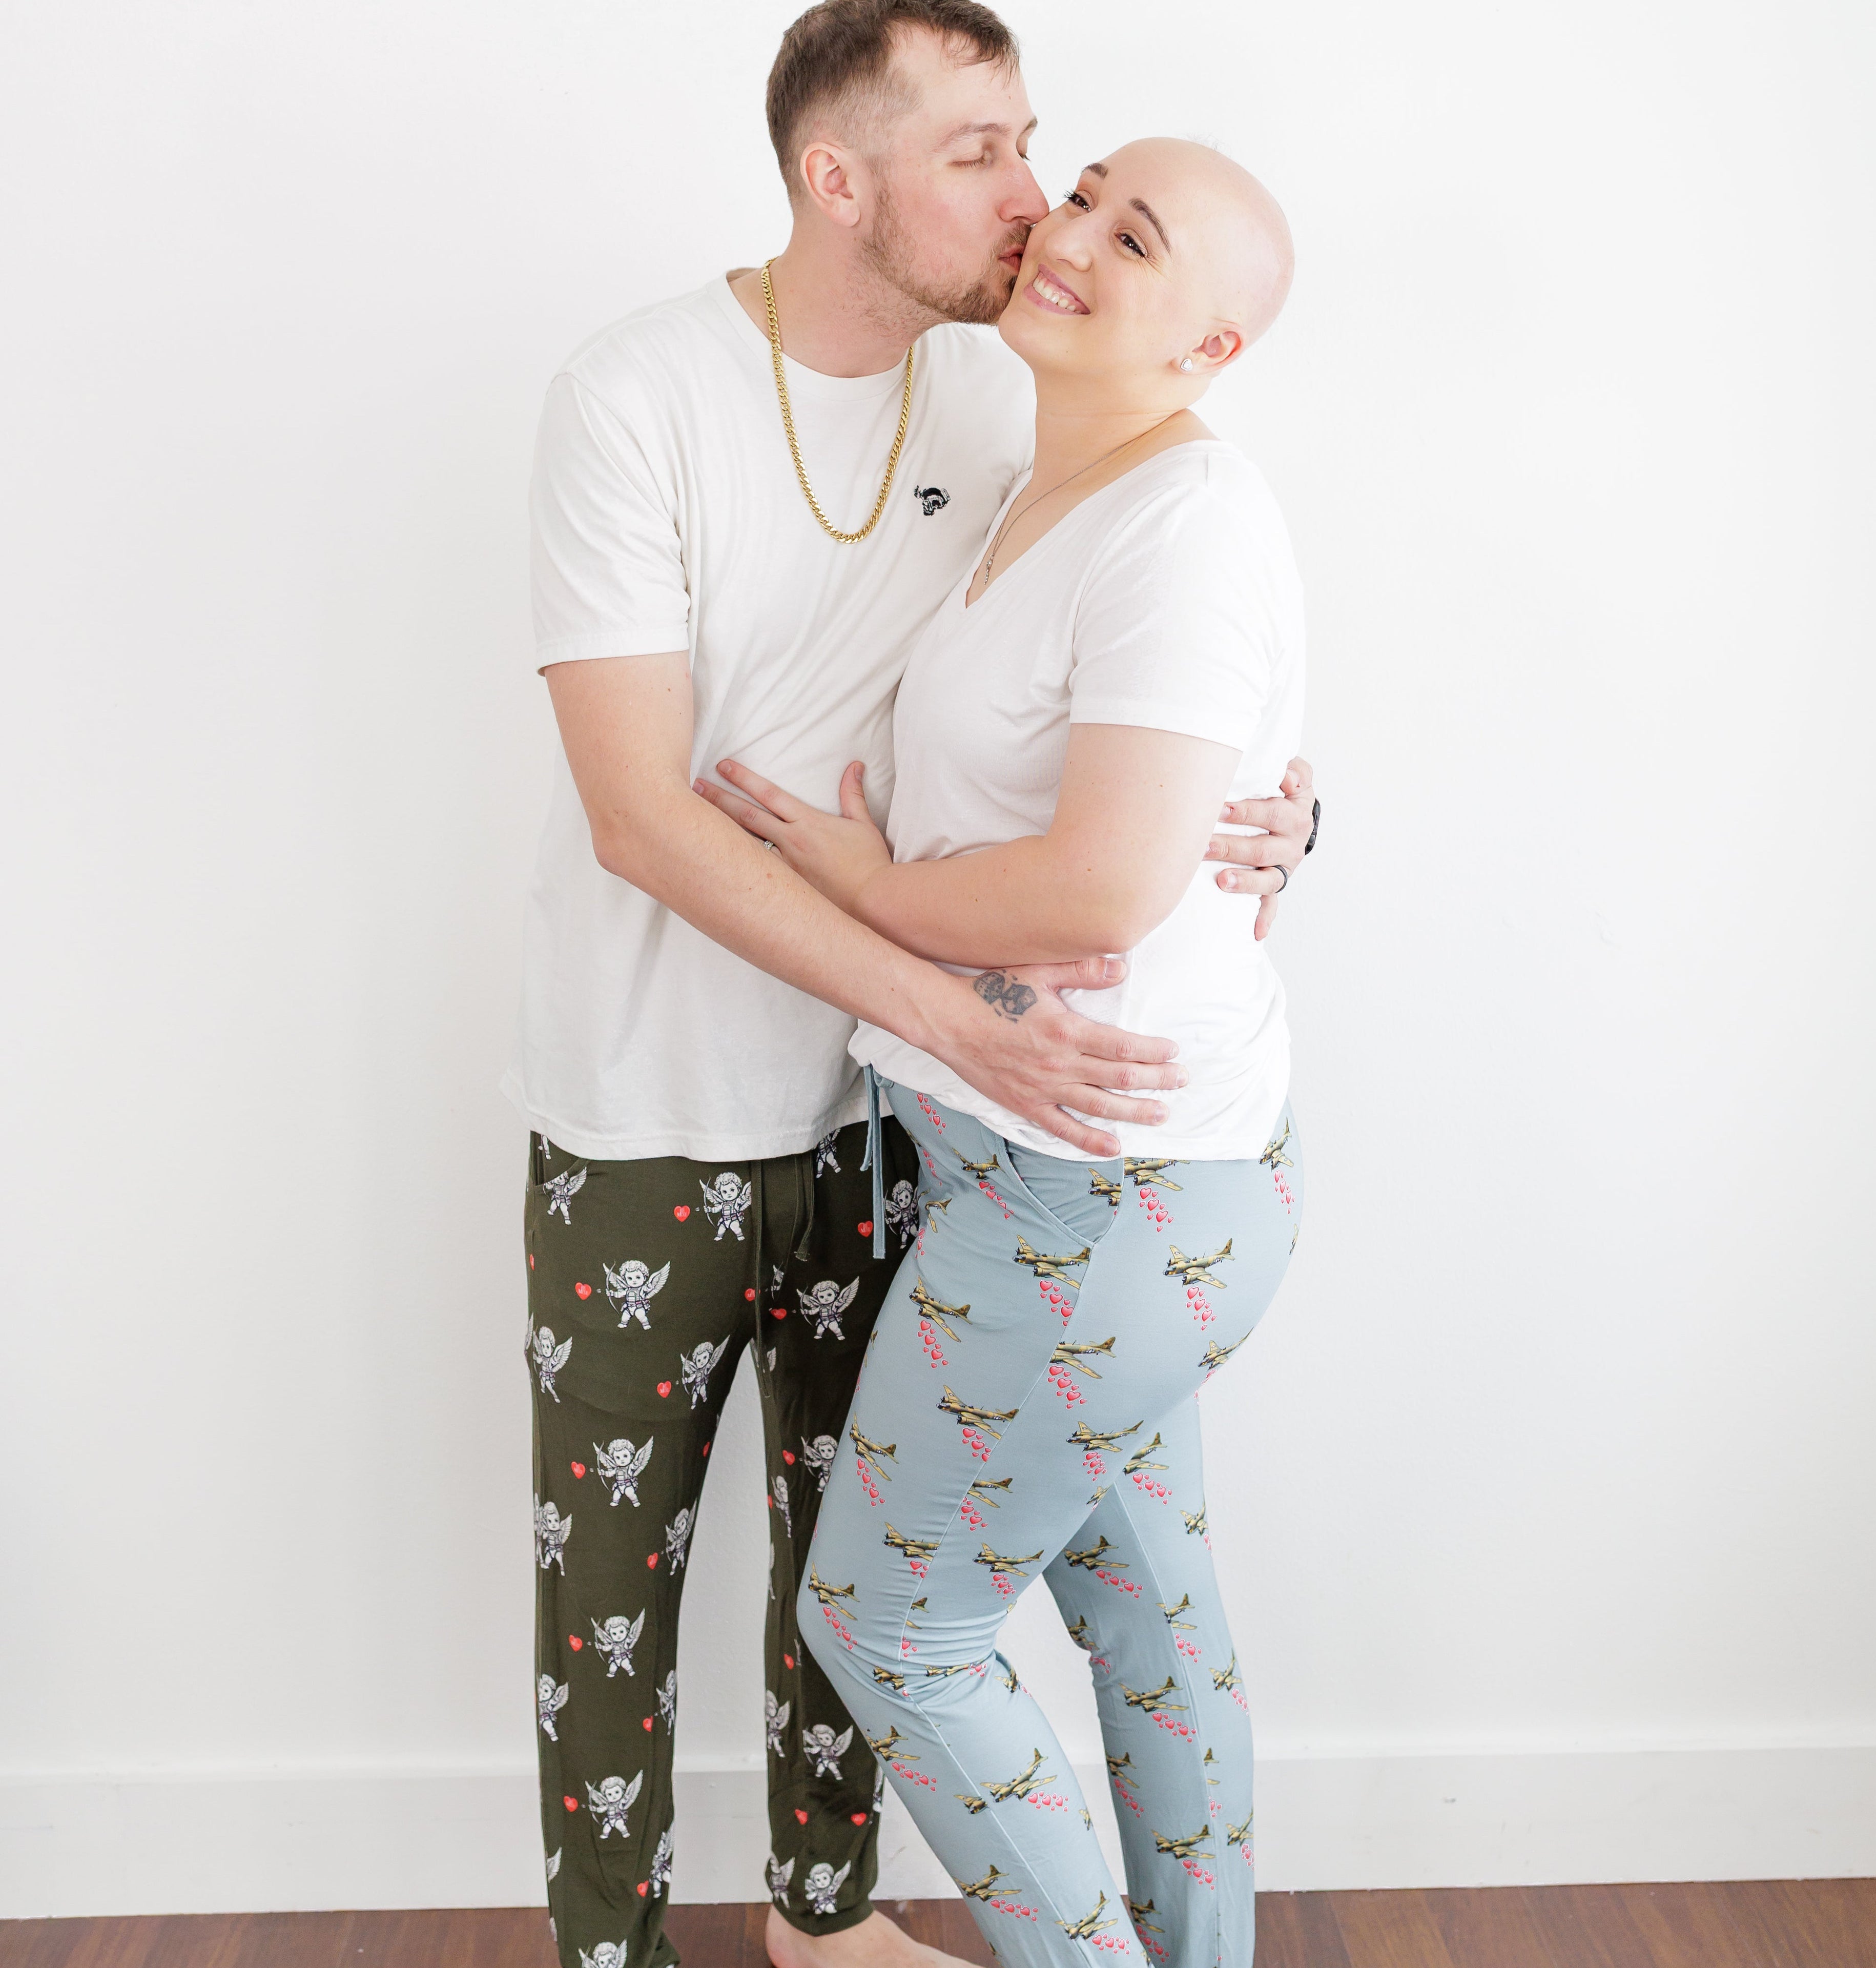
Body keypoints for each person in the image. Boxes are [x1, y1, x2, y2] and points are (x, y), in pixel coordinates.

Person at [511, 1, 1315, 1960]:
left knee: (854, 1603)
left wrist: (1290, 811)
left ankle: (824, 1925)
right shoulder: (640, 393)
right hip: (669, 1098)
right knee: (617, 1598)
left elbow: (1167, 709)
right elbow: (639, 812)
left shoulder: (1029, 394)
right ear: (835, 177)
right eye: (989, 150)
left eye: (1046, 147)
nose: (1039, 200)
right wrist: (950, 993)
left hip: (923, 1135)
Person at [697, 137, 1304, 1968]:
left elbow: (1102, 889)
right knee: (1148, 1613)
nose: (1075, 232)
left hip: (1093, 1193)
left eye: (1141, 238)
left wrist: (867, 887)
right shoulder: (1044, 483)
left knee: (888, 1628)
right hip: (1098, 1183)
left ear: (1208, 350)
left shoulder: (1182, 522)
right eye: (1087, 185)